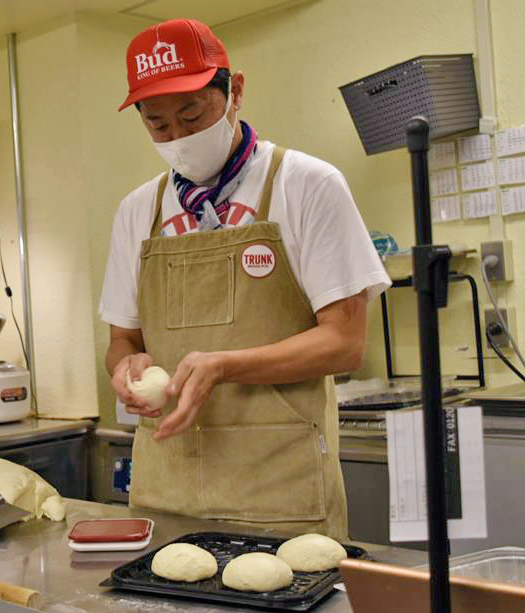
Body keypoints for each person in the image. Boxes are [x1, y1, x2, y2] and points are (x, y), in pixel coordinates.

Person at [99, 18, 390, 539]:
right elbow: (122, 340)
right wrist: (126, 367)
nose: (178, 137)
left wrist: (223, 366)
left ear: (235, 91)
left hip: (282, 496)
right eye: (158, 125)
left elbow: (345, 342)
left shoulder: (306, 186)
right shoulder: (137, 211)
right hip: (167, 496)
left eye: (192, 115)